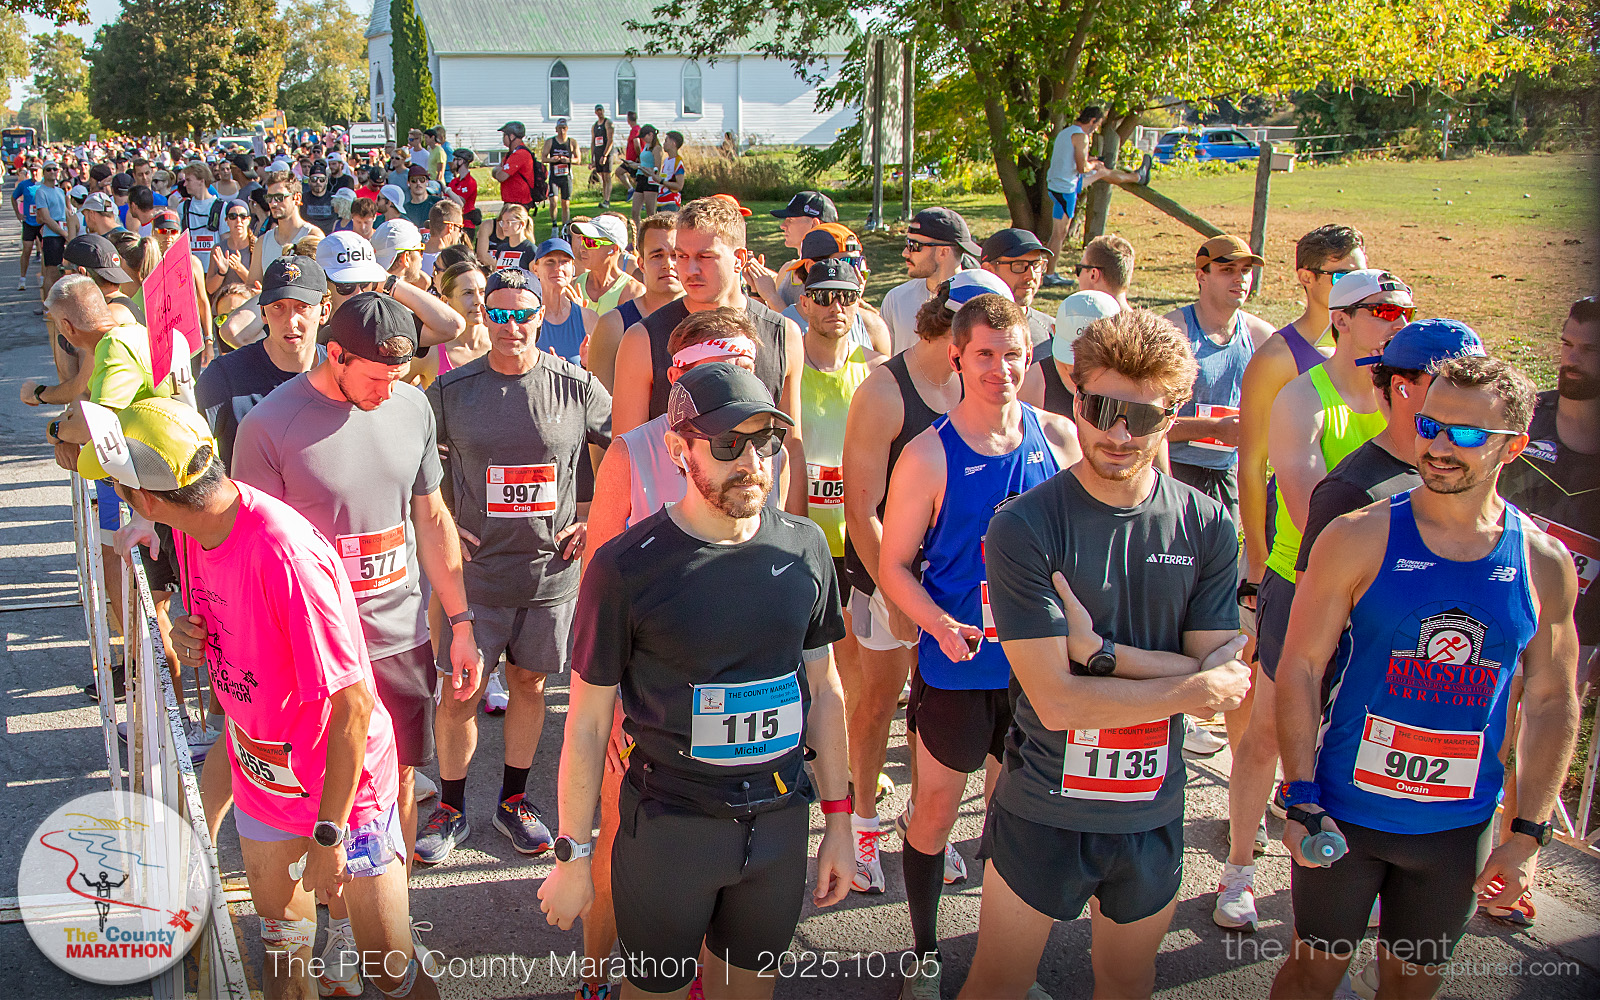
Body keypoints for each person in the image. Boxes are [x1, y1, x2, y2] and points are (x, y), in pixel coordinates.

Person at [82, 397, 440, 1000]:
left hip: (345, 794)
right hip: (262, 774)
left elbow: (354, 706)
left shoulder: (286, 556)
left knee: (388, 969)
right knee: (283, 950)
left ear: (145, 499)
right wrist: (194, 637)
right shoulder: (196, 530)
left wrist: (329, 834)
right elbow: (238, 635)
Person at [537, 361, 853, 999]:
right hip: (669, 832)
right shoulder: (626, 570)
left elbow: (825, 692)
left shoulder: (804, 548)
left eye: (765, 441)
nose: (752, 462)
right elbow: (588, 722)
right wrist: (572, 854)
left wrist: (842, 824)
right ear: (679, 450)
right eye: (729, 444)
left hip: (778, 827)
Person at [960, 308, 1251, 1000]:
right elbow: (1058, 703)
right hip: (1045, 808)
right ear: (1074, 396)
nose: (1119, 434)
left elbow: (1226, 684)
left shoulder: (1208, 522)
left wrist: (1101, 653)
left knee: (1126, 982)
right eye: (1101, 410)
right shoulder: (1023, 525)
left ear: (1173, 417)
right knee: (997, 984)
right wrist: (1191, 686)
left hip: (1151, 811)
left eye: (1141, 417)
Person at [1270, 355, 1579, 1000]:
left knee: (1411, 988)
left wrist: (1528, 835)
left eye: (1466, 434)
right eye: (1430, 424)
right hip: (1344, 813)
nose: (1438, 446)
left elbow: (1553, 700)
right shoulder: (1357, 537)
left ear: (1513, 446)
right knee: (1309, 978)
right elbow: (1299, 666)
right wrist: (1299, 795)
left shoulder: (1543, 563)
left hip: (1456, 831)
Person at [231, 290, 475, 995]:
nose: (387, 390)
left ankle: (384, 917)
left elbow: (431, 517)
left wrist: (461, 624)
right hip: (310, 659)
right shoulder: (270, 428)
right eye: (374, 376)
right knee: (320, 798)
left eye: (399, 375)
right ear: (333, 355)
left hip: (398, 639)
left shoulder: (411, 406)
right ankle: (337, 925)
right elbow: (248, 551)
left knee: (398, 786)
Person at [877, 294, 1079, 986]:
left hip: (1037, 672)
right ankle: (925, 954)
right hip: (958, 669)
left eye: (1012, 354)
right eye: (985, 354)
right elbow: (894, 566)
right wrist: (936, 622)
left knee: (1013, 822)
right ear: (957, 357)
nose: (1000, 369)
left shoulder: (1060, 440)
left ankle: (1005, 967)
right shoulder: (928, 454)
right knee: (935, 813)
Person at [1217, 268, 1411, 932]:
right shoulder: (1305, 396)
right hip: (1303, 582)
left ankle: (1354, 873)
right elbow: (1310, 510)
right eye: (1381, 310)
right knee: (1267, 733)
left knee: (1358, 734)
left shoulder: (1408, 401)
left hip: (1382, 590)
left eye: (1403, 312)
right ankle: (1238, 869)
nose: (1395, 322)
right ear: (1342, 319)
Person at [418, 266, 612, 864]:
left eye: (522, 314)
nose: (511, 326)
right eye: (498, 315)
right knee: (462, 690)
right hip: (474, 577)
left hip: (549, 574)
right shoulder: (452, 390)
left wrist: (594, 515)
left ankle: (514, 801)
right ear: (485, 317)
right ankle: (451, 806)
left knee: (530, 684)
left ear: (539, 315)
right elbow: (413, 458)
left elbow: (623, 447)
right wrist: (446, 517)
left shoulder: (575, 386)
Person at [840, 270, 1013, 895]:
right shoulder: (885, 391)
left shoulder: (987, 381)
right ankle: (861, 827)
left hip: (956, 587)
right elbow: (861, 509)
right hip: (886, 576)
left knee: (932, 712)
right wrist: (896, 595)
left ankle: (922, 820)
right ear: (953, 326)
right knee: (877, 704)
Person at [1488, 298, 1600, 926]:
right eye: (1566, 344)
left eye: (1589, 349)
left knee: (1545, 733)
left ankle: (1520, 866)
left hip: (1578, 625)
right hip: (1499, 606)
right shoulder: (1531, 420)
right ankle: (1460, 852)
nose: (1571, 360)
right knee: (1487, 734)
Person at [611, 196, 808, 513]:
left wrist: (796, 531)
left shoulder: (784, 335)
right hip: (672, 522)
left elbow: (792, 449)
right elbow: (624, 457)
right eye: (682, 256)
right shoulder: (642, 339)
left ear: (739, 258)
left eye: (705, 256)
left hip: (756, 519)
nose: (689, 269)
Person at [1239, 225, 1367, 611]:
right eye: (1342, 276)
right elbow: (1252, 464)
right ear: (1306, 278)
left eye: (1361, 275)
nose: (1356, 286)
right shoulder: (1277, 357)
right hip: (1291, 539)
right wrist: (1258, 562)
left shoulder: (1373, 351)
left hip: (1365, 530)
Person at [1163, 235, 1276, 524]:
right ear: (1201, 276)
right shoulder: (1174, 333)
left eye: (1246, 270)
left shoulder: (1262, 337)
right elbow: (1145, 421)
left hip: (1231, 474)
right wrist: (1213, 428)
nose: (1240, 279)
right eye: (1227, 270)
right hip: (1174, 471)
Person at [195, 256, 329, 470]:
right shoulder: (225, 376)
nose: (291, 321)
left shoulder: (340, 372)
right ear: (263, 313)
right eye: (278, 307)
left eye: (302, 307)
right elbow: (192, 455)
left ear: (324, 311)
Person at [1042, 106, 1150, 285]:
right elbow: (1082, 168)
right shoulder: (1081, 136)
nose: (1095, 129)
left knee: (1103, 172)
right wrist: (1093, 165)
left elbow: (1070, 160)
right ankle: (1050, 274)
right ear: (1092, 121)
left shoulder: (1065, 132)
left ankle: (1138, 176)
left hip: (1057, 183)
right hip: (1066, 187)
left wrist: (1091, 162)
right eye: (1097, 125)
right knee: (1059, 233)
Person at [586, 213, 681, 392]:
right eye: (657, 255)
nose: (668, 264)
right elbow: (598, 403)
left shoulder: (706, 319)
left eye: (676, 255)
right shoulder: (613, 325)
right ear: (641, 264)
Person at [881, 207, 982, 354]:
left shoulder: (978, 302)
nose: (905, 253)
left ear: (943, 252)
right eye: (907, 243)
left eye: (914, 246)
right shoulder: (896, 299)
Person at [1020, 290, 1121, 415]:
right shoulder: (1032, 383)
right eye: (1070, 355)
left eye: (1093, 359)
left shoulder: (1134, 383)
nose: (1077, 367)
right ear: (1054, 331)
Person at [748, 190, 840, 311]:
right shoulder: (787, 269)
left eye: (790, 220)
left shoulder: (832, 274)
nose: (783, 225)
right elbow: (769, 320)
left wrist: (771, 296)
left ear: (814, 224)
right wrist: (756, 290)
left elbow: (808, 323)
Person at [979, 228, 1056, 349]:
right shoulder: (965, 329)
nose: (1031, 275)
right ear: (988, 270)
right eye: (1018, 265)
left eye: (1036, 265)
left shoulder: (1052, 330)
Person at [528, 237, 598, 364]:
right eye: (550, 262)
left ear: (572, 269)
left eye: (564, 261)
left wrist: (586, 365)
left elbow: (602, 370)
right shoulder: (526, 317)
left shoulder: (589, 319)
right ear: (536, 269)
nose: (558, 268)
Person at [248, 171, 323, 284]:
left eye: (279, 197)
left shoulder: (313, 236)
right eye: (269, 198)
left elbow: (322, 283)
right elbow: (252, 285)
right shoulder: (263, 242)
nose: (273, 204)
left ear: (297, 198)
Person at [571, 215, 641, 314]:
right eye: (583, 240)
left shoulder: (634, 292)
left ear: (613, 249)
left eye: (590, 242)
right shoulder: (572, 286)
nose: (582, 248)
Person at [205, 201, 255, 300]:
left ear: (248, 220)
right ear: (226, 221)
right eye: (233, 216)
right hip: (223, 306)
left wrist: (239, 268)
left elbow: (259, 286)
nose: (238, 220)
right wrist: (221, 272)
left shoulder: (258, 246)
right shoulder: (218, 249)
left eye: (243, 216)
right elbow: (210, 289)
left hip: (249, 305)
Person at [494, 121, 539, 215]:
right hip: (511, 200)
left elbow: (501, 176)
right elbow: (497, 171)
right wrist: (497, 171)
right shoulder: (511, 153)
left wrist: (498, 171)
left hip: (518, 202)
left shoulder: (520, 154)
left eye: (504, 135)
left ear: (511, 136)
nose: (503, 138)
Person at [476, 203, 537, 271]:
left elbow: (535, 276)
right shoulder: (501, 249)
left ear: (521, 224)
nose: (504, 226)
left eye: (508, 222)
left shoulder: (531, 250)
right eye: (503, 222)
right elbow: (497, 273)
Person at [542, 119, 579, 229]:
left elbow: (578, 159)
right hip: (554, 176)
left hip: (566, 177)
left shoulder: (572, 142)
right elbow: (543, 158)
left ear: (567, 129)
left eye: (564, 128)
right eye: (559, 128)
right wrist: (552, 159)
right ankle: (554, 225)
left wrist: (568, 160)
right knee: (553, 202)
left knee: (565, 203)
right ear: (556, 129)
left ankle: (565, 227)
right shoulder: (550, 142)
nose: (562, 131)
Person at [14, 160, 41, 292]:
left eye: (36, 171)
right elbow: (13, 197)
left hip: (42, 222)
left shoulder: (45, 185)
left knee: (45, 251)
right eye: (32, 171)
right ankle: (22, 279)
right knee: (27, 250)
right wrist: (18, 214)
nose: (34, 173)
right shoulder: (24, 185)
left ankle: (43, 277)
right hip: (29, 222)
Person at [422, 201, 465, 278]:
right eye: (460, 228)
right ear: (450, 227)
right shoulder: (453, 262)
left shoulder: (412, 258)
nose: (460, 234)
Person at [589, 105, 616, 209]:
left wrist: (605, 155)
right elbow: (593, 141)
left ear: (603, 111)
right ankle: (604, 199)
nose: (599, 112)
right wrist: (592, 158)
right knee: (603, 177)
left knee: (607, 176)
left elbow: (610, 140)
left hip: (606, 153)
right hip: (598, 152)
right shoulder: (594, 126)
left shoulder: (608, 123)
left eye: (601, 110)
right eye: (597, 111)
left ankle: (607, 200)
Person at [448, 148, 479, 231]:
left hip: (467, 224)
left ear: (461, 161)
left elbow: (460, 202)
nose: (452, 162)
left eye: (455, 159)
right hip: (454, 222)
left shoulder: (470, 182)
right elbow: (446, 199)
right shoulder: (454, 181)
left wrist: (448, 191)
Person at [300, 164, 337, 233]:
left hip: (329, 236)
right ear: (309, 181)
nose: (318, 182)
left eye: (321, 179)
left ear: (326, 181)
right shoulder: (302, 199)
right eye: (314, 179)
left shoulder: (335, 199)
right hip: (308, 236)